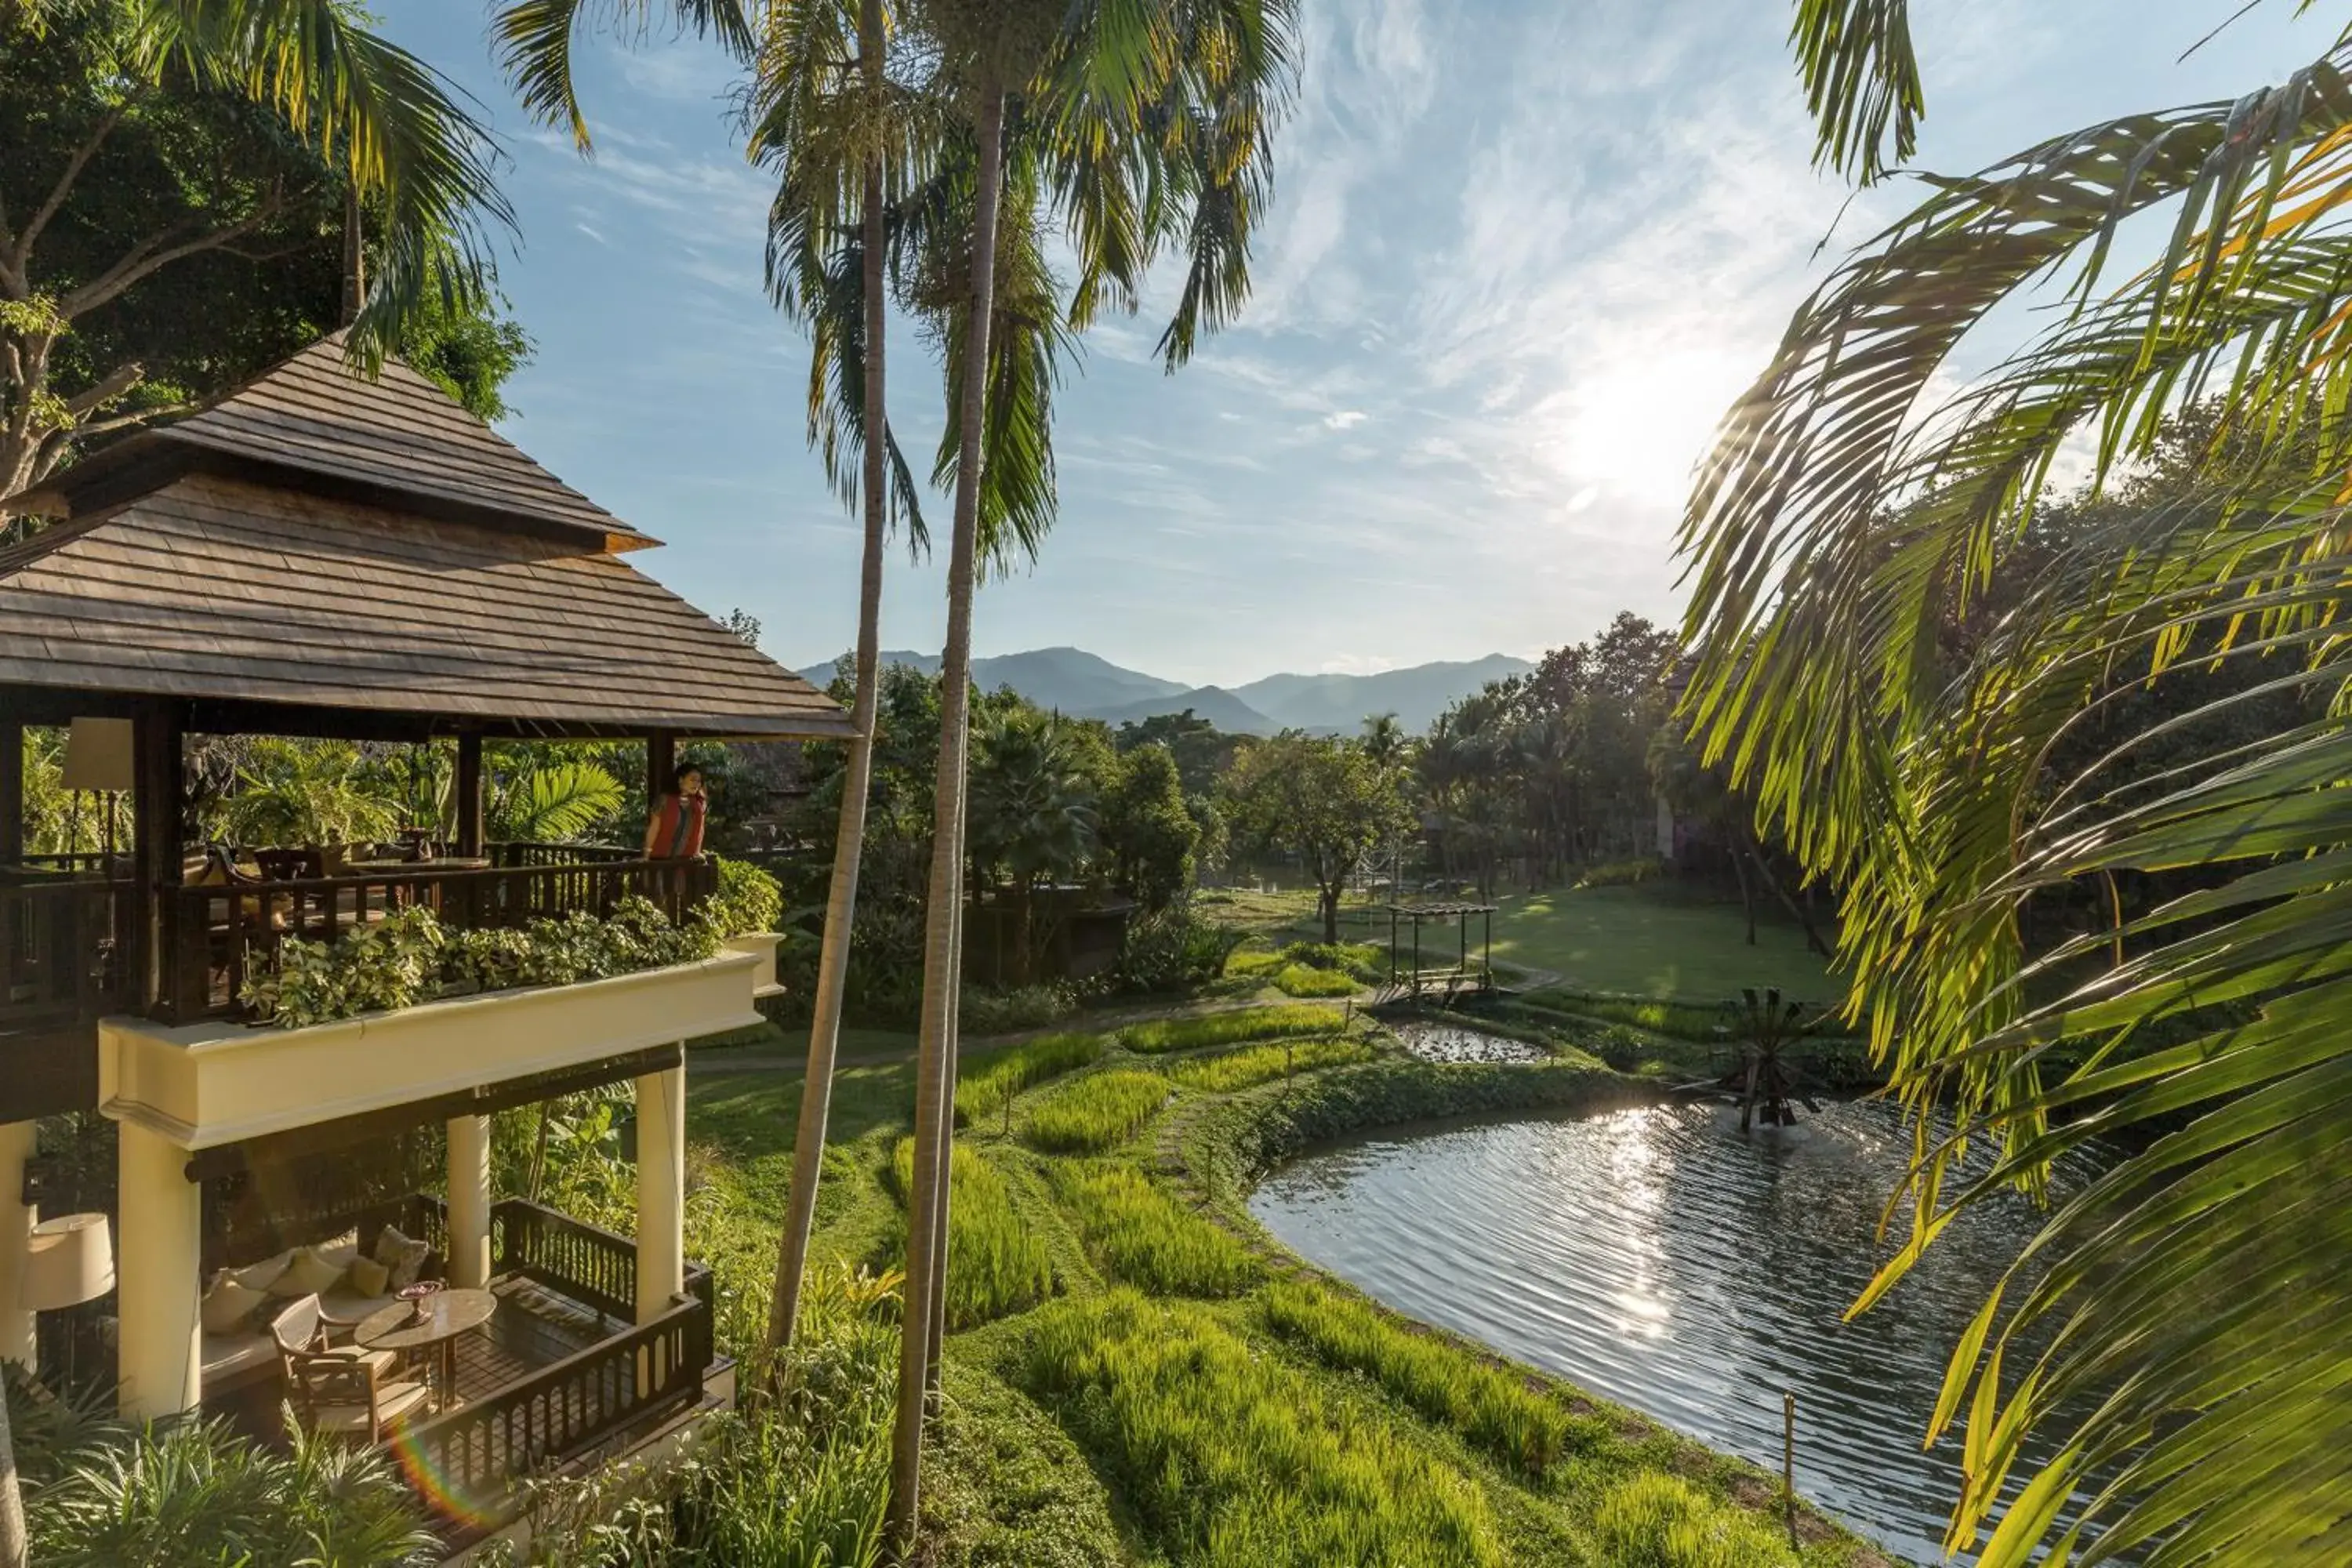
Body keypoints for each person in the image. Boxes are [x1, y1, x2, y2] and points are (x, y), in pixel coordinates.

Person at [644, 763, 708, 859]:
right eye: (692, 780)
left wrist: (698, 852)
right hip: (660, 859)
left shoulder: (699, 803)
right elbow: (654, 828)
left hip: (686, 861)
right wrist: (647, 854)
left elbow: (701, 831)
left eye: (699, 781)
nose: (696, 784)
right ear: (681, 780)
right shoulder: (664, 800)